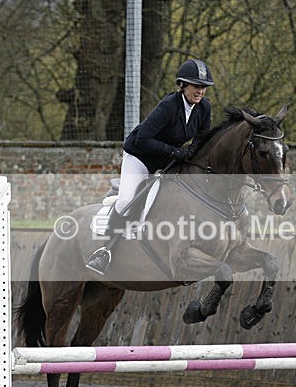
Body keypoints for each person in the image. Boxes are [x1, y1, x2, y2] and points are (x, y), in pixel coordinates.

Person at [86, 58, 214, 274]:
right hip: (140, 156)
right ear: (183, 85)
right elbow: (143, 139)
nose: (200, 91)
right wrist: (175, 152)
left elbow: (202, 139)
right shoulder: (168, 106)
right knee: (126, 201)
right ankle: (104, 251)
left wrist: (192, 156)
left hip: (168, 159)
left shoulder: (204, 108)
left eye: (204, 86)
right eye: (196, 86)